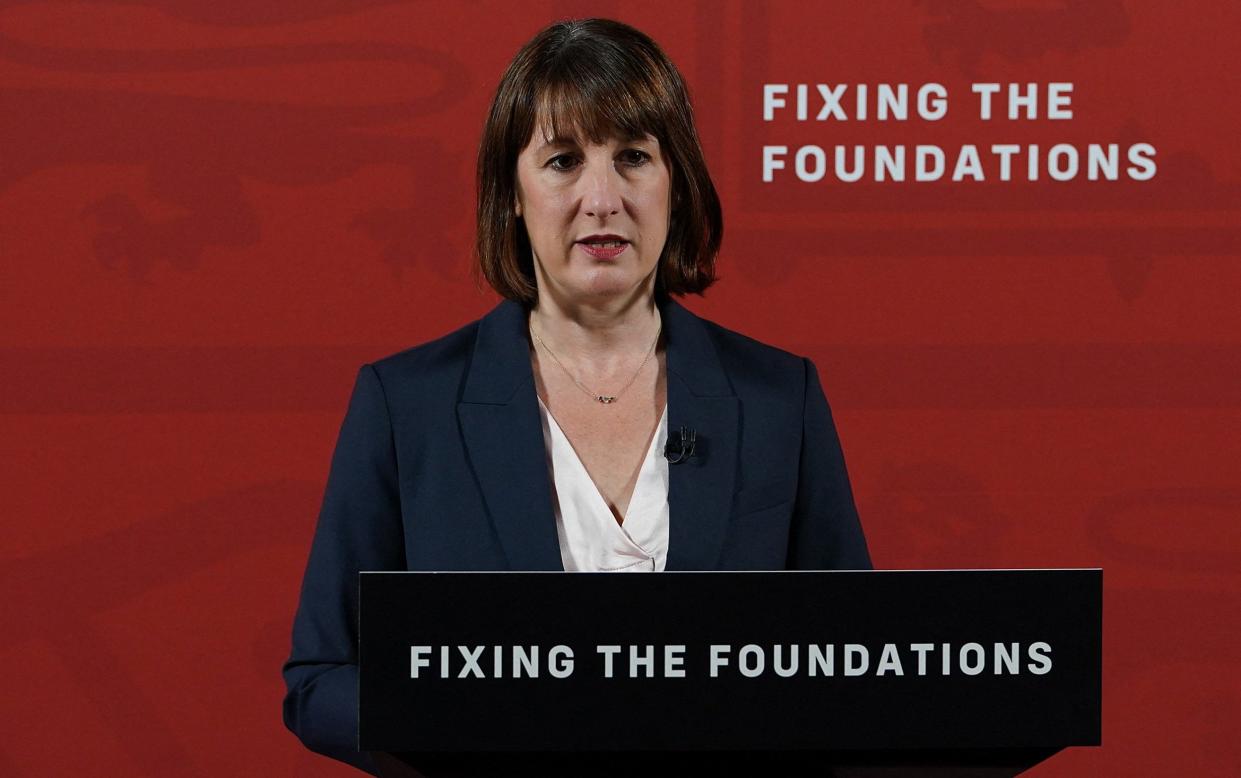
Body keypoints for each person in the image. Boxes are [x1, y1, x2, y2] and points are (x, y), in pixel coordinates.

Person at [282, 17, 871, 776]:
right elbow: (321, 679)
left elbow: (858, 665)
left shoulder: (777, 399)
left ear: (675, 183)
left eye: (632, 157)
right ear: (513, 196)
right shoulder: (407, 405)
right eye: (563, 160)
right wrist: (473, 718)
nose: (602, 198)